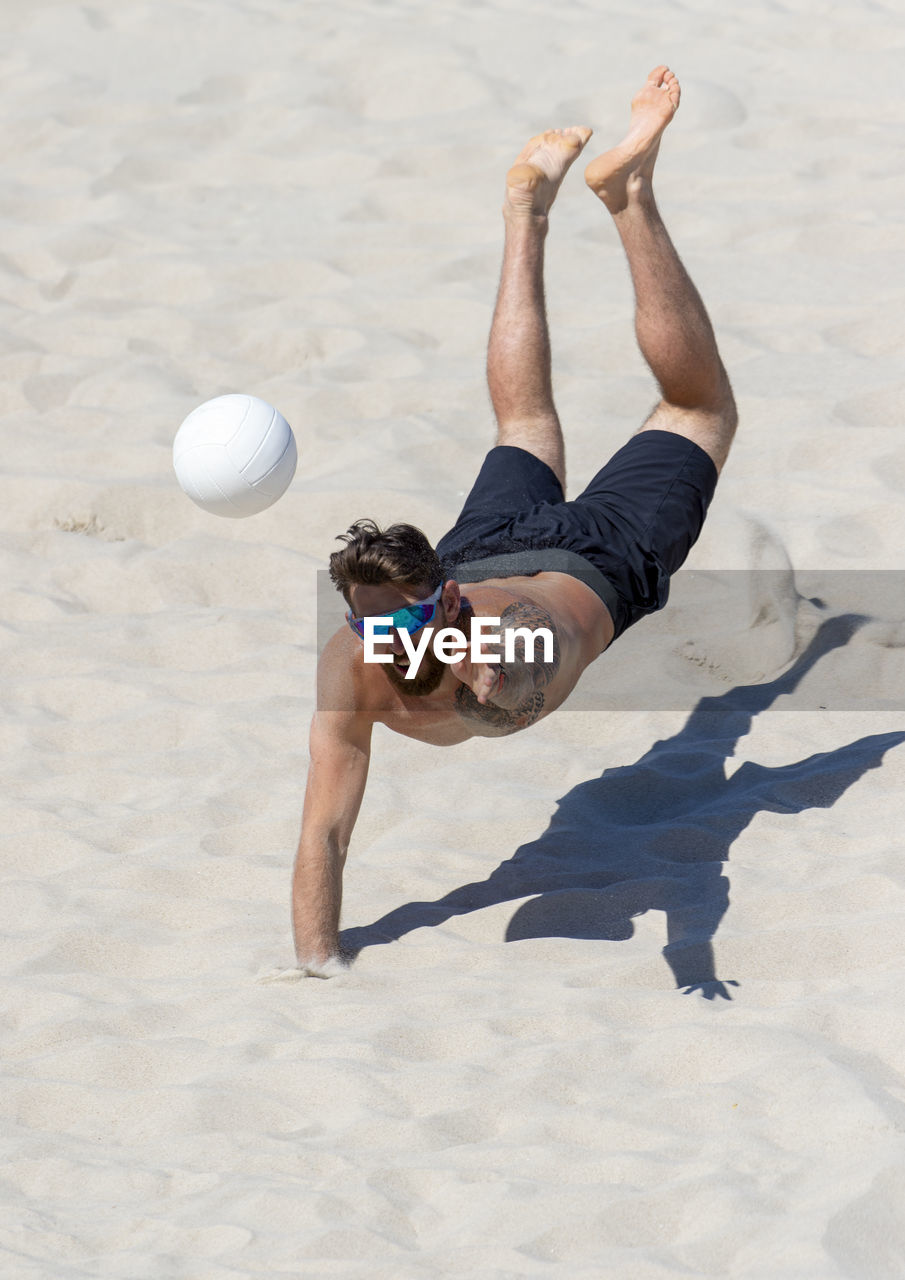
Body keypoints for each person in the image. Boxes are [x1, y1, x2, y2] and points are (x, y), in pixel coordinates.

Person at [291, 66, 737, 977]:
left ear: (442, 600)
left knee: (693, 412)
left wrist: (686, 953)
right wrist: (315, 962)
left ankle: (623, 199)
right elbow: (324, 831)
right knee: (530, 424)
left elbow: (519, 659)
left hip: (580, 566)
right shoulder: (372, 658)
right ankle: (537, 211)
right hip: (512, 556)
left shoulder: (500, 651)